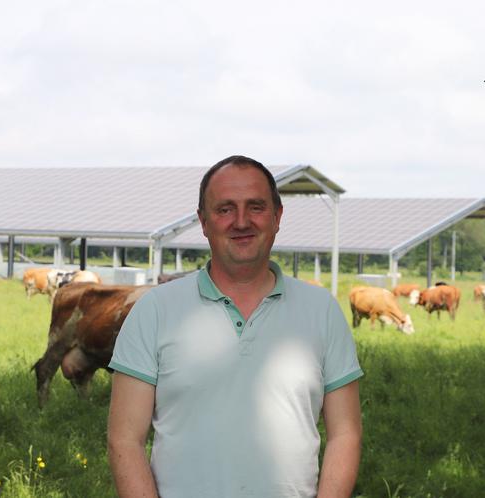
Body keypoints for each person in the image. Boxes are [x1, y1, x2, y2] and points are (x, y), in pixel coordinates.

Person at [107, 155, 363, 498]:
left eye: (255, 207)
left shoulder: (323, 311)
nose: (241, 221)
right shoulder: (154, 311)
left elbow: (346, 433)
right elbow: (124, 439)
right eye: (225, 209)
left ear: (277, 216)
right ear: (203, 221)